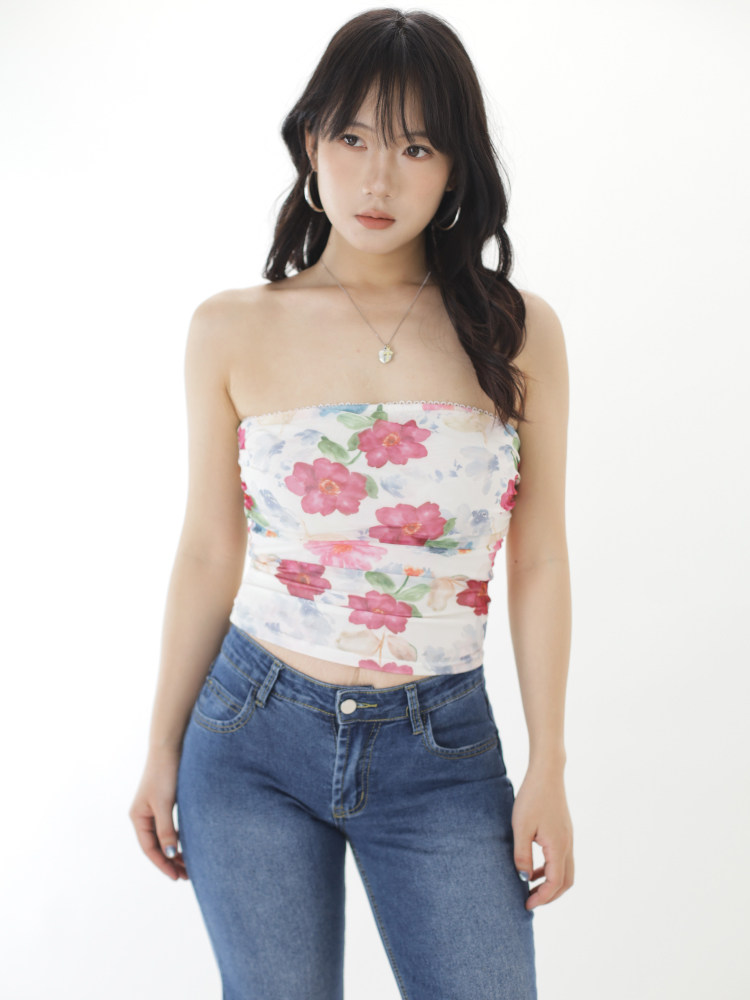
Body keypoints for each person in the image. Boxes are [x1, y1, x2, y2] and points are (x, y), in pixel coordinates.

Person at [129, 8, 574, 999]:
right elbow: (208, 550)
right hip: (251, 737)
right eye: (354, 138)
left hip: (442, 747)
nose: (378, 180)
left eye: (416, 147)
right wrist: (160, 747)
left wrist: (549, 761)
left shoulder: (516, 330)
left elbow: (540, 555)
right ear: (309, 143)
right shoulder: (231, 328)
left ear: (455, 167)